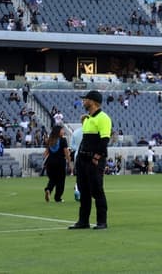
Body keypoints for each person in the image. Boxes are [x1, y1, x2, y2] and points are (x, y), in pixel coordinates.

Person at [69, 90, 112, 230]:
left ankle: (102, 221)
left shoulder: (103, 118)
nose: (84, 101)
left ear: (93, 102)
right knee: (84, 191)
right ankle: (83, 221)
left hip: (94, 160)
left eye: (86, 99)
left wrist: (96, 158)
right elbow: (85, 141)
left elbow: (104, 140)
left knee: (97, 190)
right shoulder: (87, 119)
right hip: (83, 159)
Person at [43, 125, 71, 202]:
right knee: (61, 181)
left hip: (50, 162)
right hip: (60, 162)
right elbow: (66, 153)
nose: (63, 131)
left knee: (52, 179)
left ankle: (48, 189)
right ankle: (57, 198)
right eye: (62, 130)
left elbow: (45, 153)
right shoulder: (63, 140)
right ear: (58, 131)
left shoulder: (50, 140)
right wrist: (69, 163)